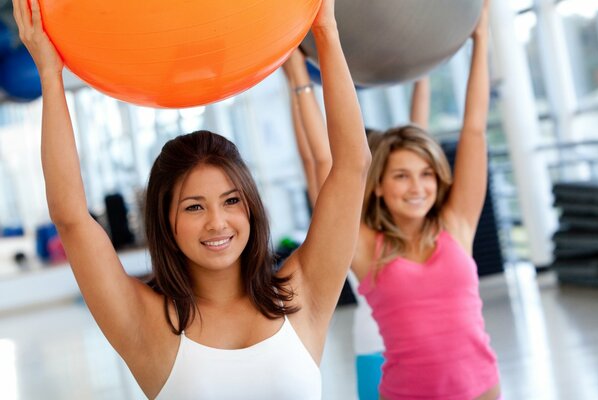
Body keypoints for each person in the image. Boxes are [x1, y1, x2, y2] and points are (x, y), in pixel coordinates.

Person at [13, 0, 370, 398]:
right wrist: (50, 74)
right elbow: (72, 218)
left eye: (231, 201)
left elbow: (352, 166)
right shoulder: (144, 321)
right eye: (194, 206)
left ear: (251, 207)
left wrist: (326, 30)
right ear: (166, 221)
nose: (217, 221)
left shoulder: (303, 292)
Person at [353, 1, 501, 399]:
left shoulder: (457, 224)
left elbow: (474, 130)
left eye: (427, 175)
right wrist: (303, 77)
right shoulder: (366, 247)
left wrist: (481, 38)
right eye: (401, 176)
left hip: (483, 388)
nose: (418, 187)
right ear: (379, 186)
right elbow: (321, 164)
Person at [282, 49, 430, 400]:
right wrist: (297, 82)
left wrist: (428, 57)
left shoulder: (412, 219)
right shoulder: (351, 232)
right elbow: (316, 158)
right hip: (377, 350)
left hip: (415, 346)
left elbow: (418, 138)